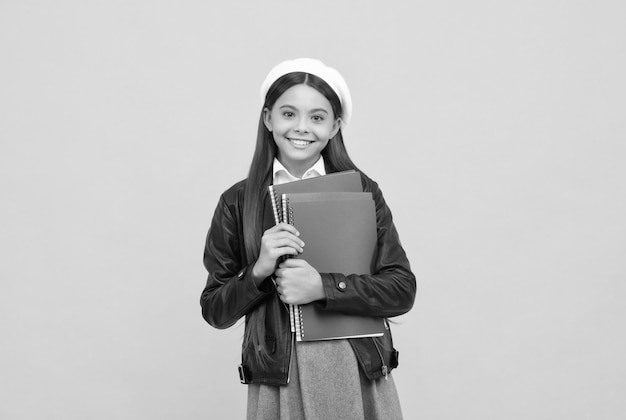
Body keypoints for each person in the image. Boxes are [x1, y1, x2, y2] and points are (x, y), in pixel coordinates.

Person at [200, 58, 416, 420]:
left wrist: (324, 287)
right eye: (288, 114)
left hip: (356, 367)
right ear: (268, 119)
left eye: (317, 117)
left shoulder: (361, 190)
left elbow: (401, 289)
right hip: (278, 377)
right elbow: (215, 309)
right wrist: (258, 271)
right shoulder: (238, 202)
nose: (302, 128)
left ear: (335, 127)